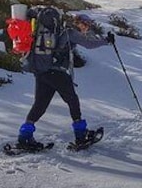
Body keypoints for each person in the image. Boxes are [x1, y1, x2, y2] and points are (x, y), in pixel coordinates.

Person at [16, 11, 113, 150]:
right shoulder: (70, 33)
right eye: (85, 24)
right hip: (57, 72)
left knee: (40, 105)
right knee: (72, 100)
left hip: (42, 72)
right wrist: (106, 41)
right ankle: (80, 135)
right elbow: (89, 44)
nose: (87, 27)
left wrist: (98, 38)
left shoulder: (60, 32)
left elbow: (87, 38)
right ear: (78, 23)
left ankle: (24, 136)